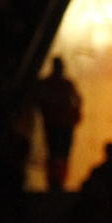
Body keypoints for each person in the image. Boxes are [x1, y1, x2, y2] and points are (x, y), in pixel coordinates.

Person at [36, 57, 81, 191]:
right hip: (59, 125)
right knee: (59, 154)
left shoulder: (52, 84)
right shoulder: (61, 84)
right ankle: (56, 180)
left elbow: (77, 100)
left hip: (57, 124)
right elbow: (78, 100)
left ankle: (57, 180)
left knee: (57, 154)